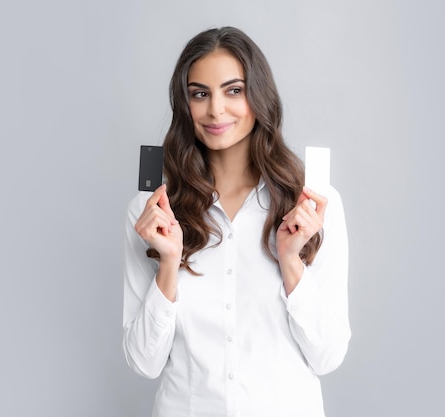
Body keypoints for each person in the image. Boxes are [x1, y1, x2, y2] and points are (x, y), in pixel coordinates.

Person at [123, 26, 350, 417]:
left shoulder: (311, 207)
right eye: (199, 94)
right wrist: (167, 265)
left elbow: (327, 356)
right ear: (185, 104)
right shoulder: (152, 214)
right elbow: (144, 363)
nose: (215, 110)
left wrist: (292, 263)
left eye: (233, 90)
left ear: (258, 95)